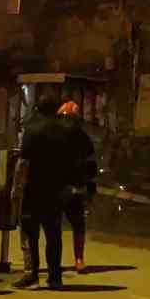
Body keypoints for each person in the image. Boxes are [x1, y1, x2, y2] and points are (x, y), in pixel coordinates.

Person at [15, 95, 81, 289]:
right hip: (56, 191)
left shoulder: (32, 130)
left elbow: (23, 163)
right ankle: (54, 277)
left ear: (37, 109)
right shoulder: (66, 132)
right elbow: (73, 162)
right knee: (53, 235)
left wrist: (16, 188)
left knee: (29, 233)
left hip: (33, 190)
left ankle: (31, 274)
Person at [56, 100, 97, 273]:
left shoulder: (83, 140)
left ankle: (79, 258)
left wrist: (90, 188)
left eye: (70, 119)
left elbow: (90, 165)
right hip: (56, 186)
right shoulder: (54, 136)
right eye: (65, 119)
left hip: (75, 186)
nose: (67, 122)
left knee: (78, 224)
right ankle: (54, 262)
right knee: (53, 226)